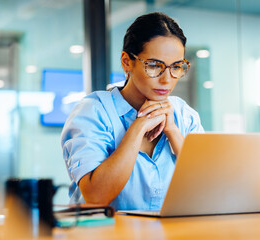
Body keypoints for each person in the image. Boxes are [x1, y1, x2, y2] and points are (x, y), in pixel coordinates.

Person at [61, 12, 204, 211]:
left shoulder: (184, 114)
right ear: (127, 62)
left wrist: (172, 132)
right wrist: (137, 128)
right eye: (154, 66)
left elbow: (207, 188)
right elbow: (96, 196)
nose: (167, 79)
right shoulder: (94, 111)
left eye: (176, 67)